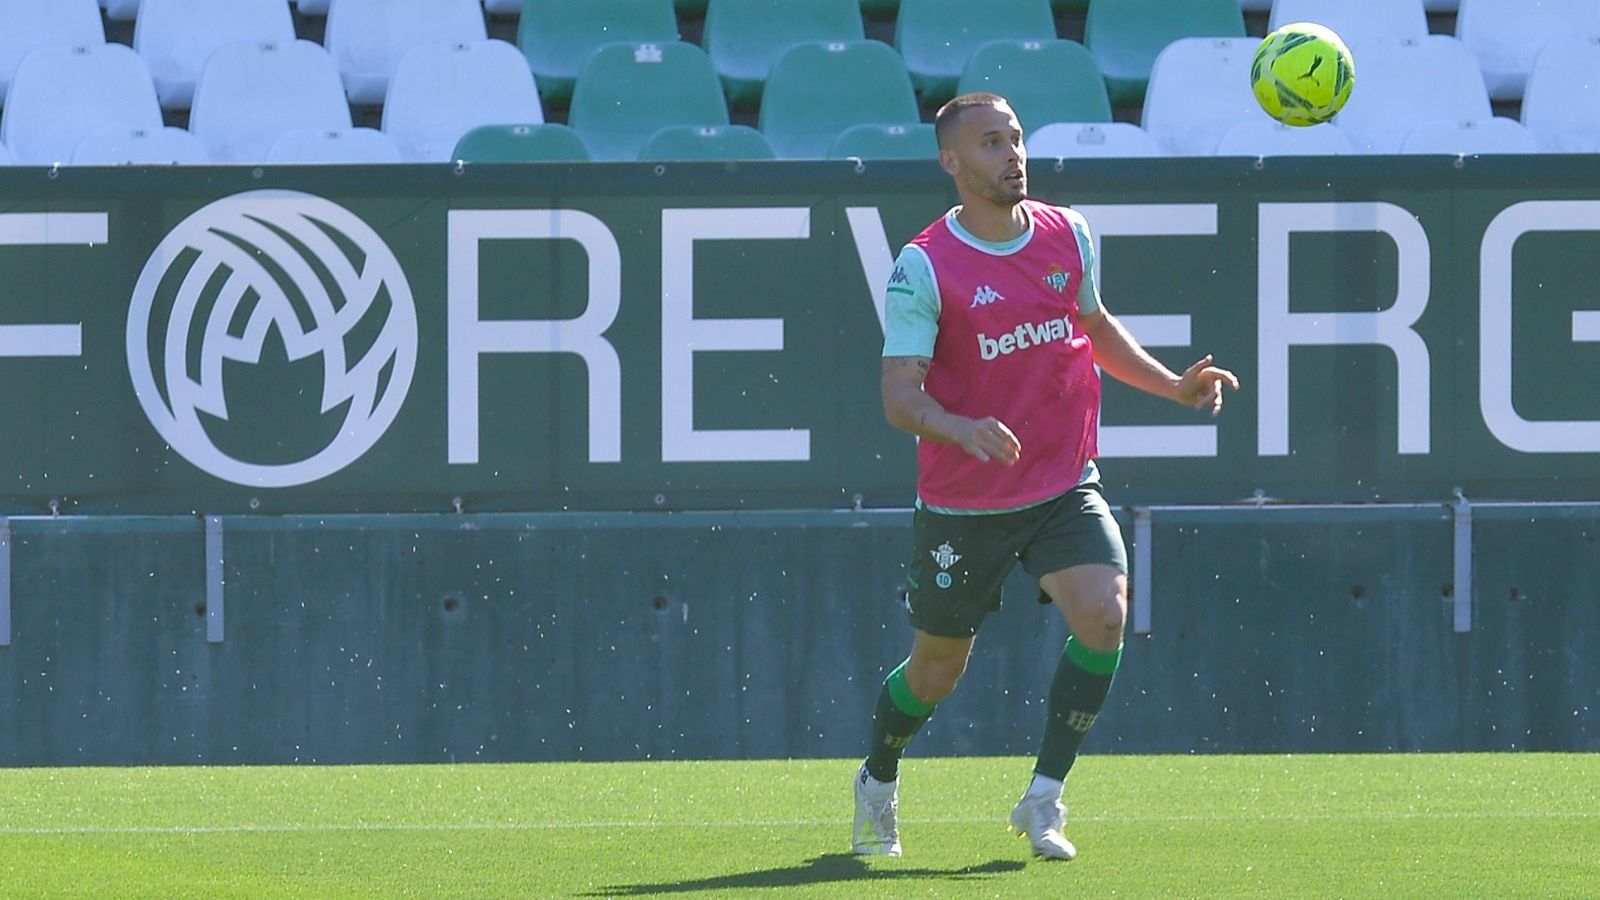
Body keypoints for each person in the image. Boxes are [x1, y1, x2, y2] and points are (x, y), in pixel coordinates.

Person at [853, 92, 1240, 861]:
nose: (1013, 154)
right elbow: (899, 397)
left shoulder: (1069, 233)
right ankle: (877, 778)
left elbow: (1093, 327)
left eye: (1017, 138)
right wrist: (960, 427)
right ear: (952, 161)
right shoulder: (925, 264)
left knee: (1104, 614)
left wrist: (1172, 386)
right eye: (991, 143)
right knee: (936, 671)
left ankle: (1043, 797)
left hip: (1064, 483)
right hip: (966, 503)